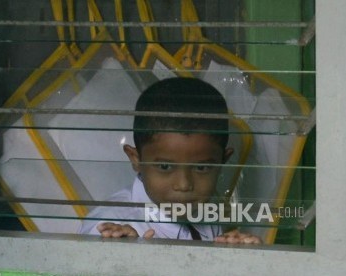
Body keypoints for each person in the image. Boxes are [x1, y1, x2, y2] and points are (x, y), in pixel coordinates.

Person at [78, 77, 260, 244]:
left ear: (222, 162)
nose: (183, 184)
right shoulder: (109, 230)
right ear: (136, 159)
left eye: (202, 167)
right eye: (165, 166)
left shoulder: (210, 211)